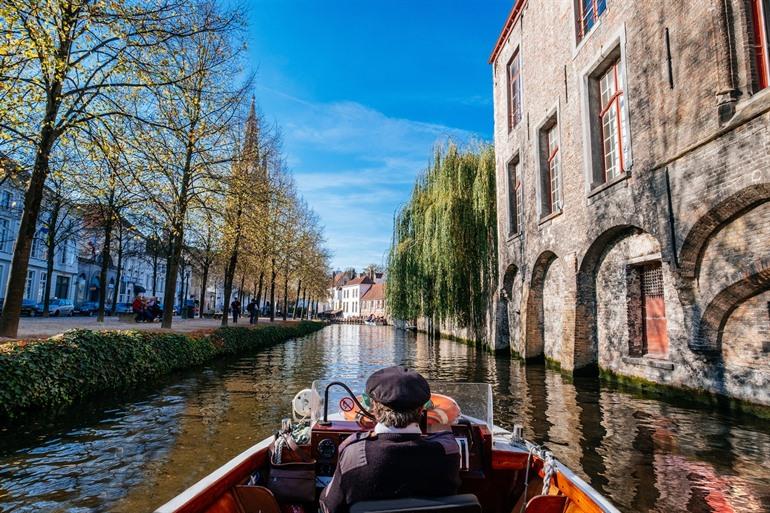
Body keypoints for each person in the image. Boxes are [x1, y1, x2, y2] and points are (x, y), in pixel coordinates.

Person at [320, 366, 461, 513]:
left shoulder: (353, 454)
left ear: (374, 408)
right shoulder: (448, 453)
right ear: (421, 410)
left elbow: (328, 506)